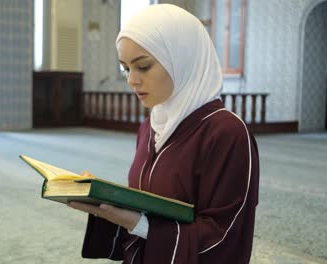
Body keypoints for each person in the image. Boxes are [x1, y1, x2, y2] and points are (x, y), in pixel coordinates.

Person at [67, 4, 259, 264]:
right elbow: (151, 201)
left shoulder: (227, 133)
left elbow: (224, 236)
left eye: (143, 66)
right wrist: (107, 198)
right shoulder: (151, 125)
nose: (132, 80)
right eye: (125, 68)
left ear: (182, 59)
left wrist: (139, 224)